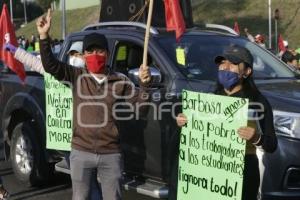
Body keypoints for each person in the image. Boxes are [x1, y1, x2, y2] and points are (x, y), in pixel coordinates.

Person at [36, 9, 152, 200]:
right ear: (84, 55)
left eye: (99, 50)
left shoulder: (120, 80)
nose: (95, 54)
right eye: (90, 51)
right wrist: (43, 36)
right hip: (81, 152)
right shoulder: (76, 75)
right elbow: (51, 66)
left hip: (111, 154)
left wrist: (145, 86)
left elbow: (141, 108)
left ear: (107, 53)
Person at [176, 45, 277, 200]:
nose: (225, 67)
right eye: (222, 62)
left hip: (244, 173)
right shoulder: (209, 99)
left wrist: (257, 138)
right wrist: (185, 122)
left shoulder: (258, 102)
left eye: (234, 63)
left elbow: (272, 144)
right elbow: (197, 135)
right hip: (211, 172)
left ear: (247, 71)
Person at [4, 42, 102, 200]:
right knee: (81, 183)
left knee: (89, 182)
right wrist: (15, 51)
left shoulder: (89, 77)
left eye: (78, 55)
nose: (75, 58)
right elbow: (34, 62)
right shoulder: (58, 72)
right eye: (72, 55)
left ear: (84, 56)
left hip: (86, 140)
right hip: (68, 143)